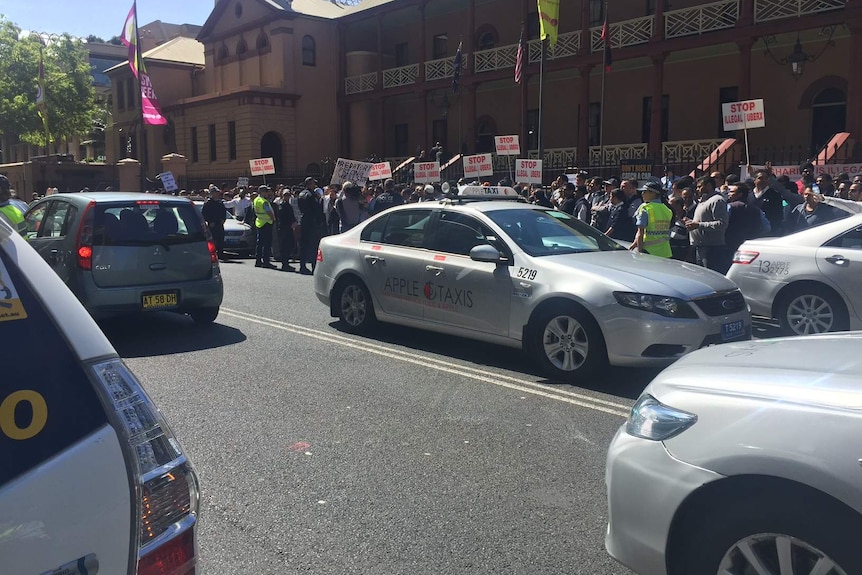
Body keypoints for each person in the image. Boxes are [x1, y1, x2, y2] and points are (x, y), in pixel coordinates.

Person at [685, 176, 728, 273]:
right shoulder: (703, 200)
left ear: (708, 186)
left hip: (711, 248)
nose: (697, 189)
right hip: (700, 246)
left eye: (699, 186)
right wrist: (691, 222)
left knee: (711, 276)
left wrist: (698, 225)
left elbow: (722, 224)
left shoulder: (717, 200)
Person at [631, 181, 673, 258]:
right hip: (665, 252)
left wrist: (640, 253)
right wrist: (635, 242)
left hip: (649, 252)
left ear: (653, 193)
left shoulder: (646, 208)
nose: (642, 194)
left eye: (644, 191)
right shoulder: (667, 210)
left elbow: (640, 232)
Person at [298, 186, 324, 275]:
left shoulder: (301, 194)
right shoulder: (311, 195)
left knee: (303, 245)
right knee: (313, 245)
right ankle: (314, 267)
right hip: (312, 223)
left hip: (304, 221)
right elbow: (316, 210)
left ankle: (302, 265)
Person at [201, 185, 228, 260]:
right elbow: (204, 214)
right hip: (212, 224)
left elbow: (223, 212)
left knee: (220, 239)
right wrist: (209, 221)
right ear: (211, 193)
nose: (216, 194)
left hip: (219, 223)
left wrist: (223, 219)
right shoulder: (208, 203)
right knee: (212, 240)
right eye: (215, 192)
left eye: (217, 192)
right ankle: (212, 254)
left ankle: (220, 253)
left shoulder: (220, 202)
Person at [253, 185, 277, 268]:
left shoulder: (256, 200)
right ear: (262, 192)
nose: (268, 193)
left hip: (259, 222)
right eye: (266, 191)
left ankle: (258, 261)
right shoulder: (264, 202)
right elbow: (269, 212)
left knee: (259, 243)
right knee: (267, 243)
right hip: (267, 223)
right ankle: (266, 262)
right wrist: (273, 219)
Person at [277, 190, 297, 272]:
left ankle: (286, 262)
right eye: (285, 195)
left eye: (288, 195)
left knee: (290, 245)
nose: (287, 197)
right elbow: (282, 217)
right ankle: (284, 264)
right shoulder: (282, 205)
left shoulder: (289, 205)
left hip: (289, 228)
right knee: (285, 246)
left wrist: (294, 222)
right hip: (284, 228)